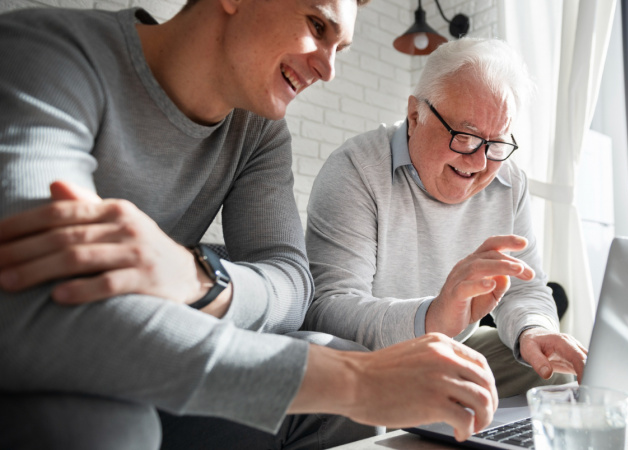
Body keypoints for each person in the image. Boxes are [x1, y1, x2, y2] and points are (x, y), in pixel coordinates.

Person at [0, 1, 499, 448]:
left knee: (333, 374)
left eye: (339, 48)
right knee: (106, 427)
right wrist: (354, 381)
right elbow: (35, 305)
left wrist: (195, 277)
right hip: (43, 363)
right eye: (316, 24)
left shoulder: (257, 131)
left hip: (172, 362)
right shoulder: (49, 54)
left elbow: (291, 282)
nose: (328, 70)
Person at [304, 38, 588, 398]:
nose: (480, 163)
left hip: (457, 351)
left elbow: (524, 288)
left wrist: (534, 329)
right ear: (414, 116)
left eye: (496, 144)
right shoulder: (355, 169)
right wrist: (433, 317)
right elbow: (329, 309)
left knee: (552, 374)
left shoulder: (509, 180)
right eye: (465, 137)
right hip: (372, 360)